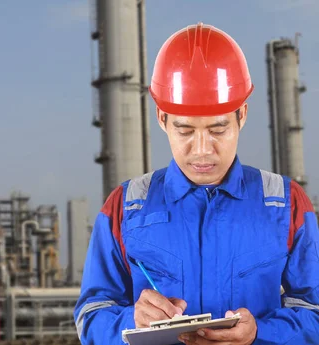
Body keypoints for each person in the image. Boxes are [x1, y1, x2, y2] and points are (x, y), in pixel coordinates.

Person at [74, 22, 319, 345]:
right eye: (185, 130)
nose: (202, 150)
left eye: (217, 130)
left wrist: (261, 333)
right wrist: (131, 318)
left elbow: (314, 312)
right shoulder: (125, 207)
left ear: (241, 115)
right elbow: (91, 315)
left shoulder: (285, 204)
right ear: (162, 119)